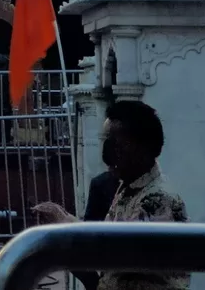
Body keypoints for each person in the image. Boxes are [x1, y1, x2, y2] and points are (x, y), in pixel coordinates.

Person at [32, 100, 187, 290]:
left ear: (140, 148)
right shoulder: (128, 188)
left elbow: (114, 253)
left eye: (117, 145)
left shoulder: (158, 199)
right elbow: (106, 237)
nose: (107, 155)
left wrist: (66, 230)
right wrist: (64, 220)